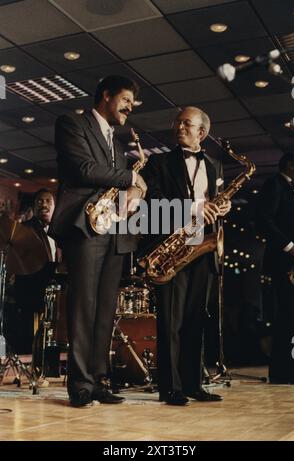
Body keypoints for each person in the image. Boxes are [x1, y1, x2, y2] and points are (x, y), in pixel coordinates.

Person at [49, 75, 147, 407]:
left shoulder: (119, 147)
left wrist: (133, 192)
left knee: (105, 310)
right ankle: (80, 384)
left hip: (114, 229)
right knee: (83, 308)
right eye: (125, 99)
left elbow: (120, 185)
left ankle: (100, 380)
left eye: (132, 103)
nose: (130, 107)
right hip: (85, 227)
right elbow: (83, 169)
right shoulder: (71, 123)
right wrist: (131, 177)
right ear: (105, 95)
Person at [141, 106, 231, 405]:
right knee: (170, 322)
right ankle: (171, 388)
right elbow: (151, 203)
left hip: (203, 249)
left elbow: (214, 202)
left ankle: (193, 383)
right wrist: (192, 208)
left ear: (201, 132)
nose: (179, 127)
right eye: (177, 122)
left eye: (186, 123)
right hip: (172, 249)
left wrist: (223, 208)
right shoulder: (158, 162)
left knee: (195, 319)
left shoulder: (216, 165)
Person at [256, 152, 294, 384]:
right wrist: (290, 246)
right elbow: (263, 219)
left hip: (292, 265)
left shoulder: (292, 189)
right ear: (290, 165)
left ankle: (292, 370)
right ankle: (288, 372)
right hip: (284, 264)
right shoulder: (275, 184)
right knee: (289, 319)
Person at [14, 189, 58, 355]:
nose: (44, 205)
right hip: (32, 290)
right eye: (39, 201)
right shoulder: (24, 228)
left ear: (54, 206)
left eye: (48, 201)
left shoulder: (61, 229)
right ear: (34, 206)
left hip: (55, 291)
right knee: (30, 335)